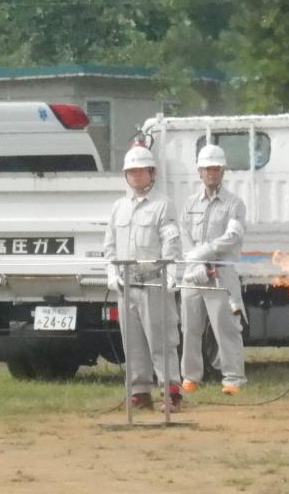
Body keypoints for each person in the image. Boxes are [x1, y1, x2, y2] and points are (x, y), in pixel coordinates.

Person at [104, 145, 183, 412]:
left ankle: (171, 392)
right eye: (132, 172)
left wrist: (171, 274)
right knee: (133, 341)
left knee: (162, 340)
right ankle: (139, 392)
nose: (137, 176)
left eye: (141, 171)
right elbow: (110, 246)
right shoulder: (118, 207)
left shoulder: (163, 205)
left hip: (154, 281)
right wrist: (112, 274)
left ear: (152, 173)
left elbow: (171, 243)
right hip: (127, 284)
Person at [180, 144, 247, 395]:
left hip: (221, 272)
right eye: (207, 169)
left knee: (225, 326)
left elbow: (232, 237)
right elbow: (184, 236)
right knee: (190, 327)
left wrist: (203, 253)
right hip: (193, 274)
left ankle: (233, 378)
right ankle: (190, 376)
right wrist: (195, 263)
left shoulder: (234, 204)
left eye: (216, 169)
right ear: (199, 171)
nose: (212, 173)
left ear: (223, 171)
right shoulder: (188, 204)